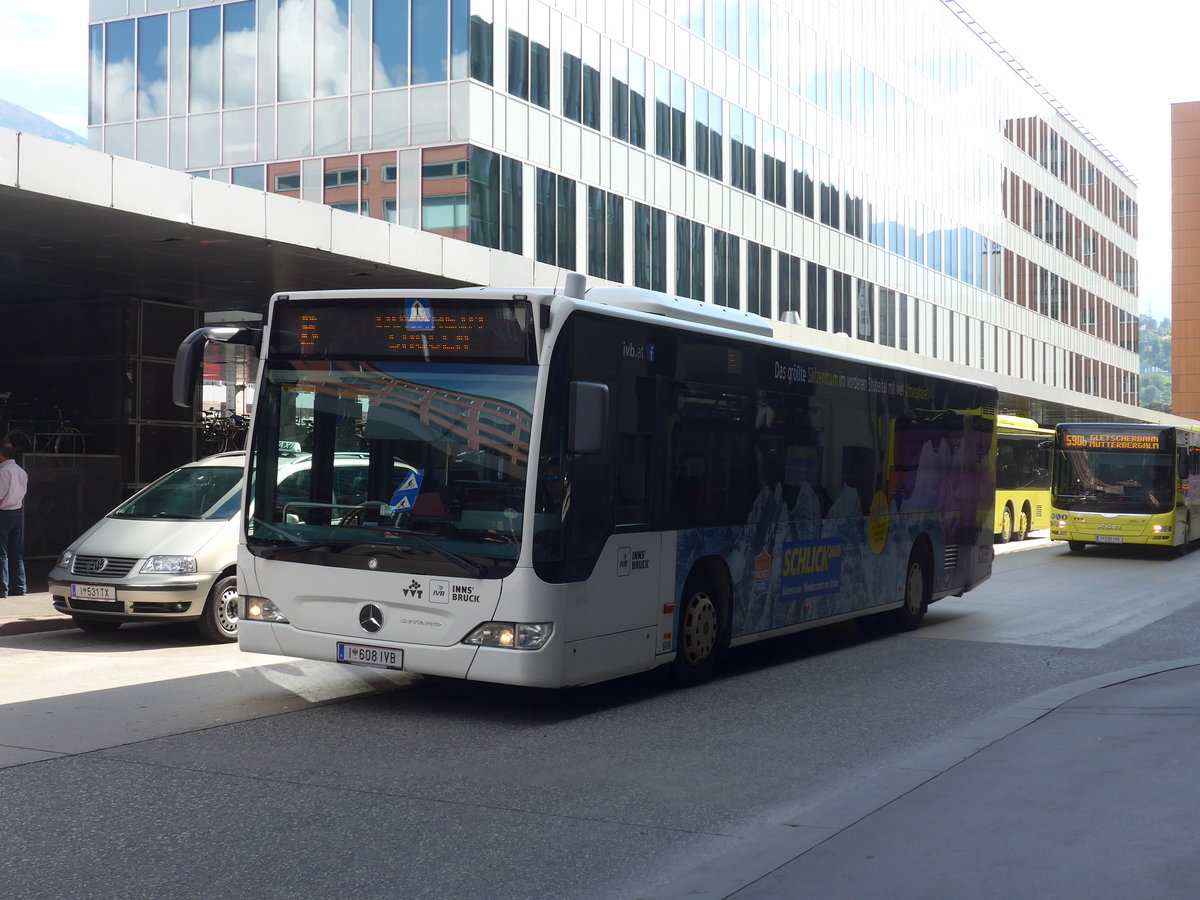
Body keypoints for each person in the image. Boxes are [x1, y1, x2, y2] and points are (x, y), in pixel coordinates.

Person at [0, 440, 28, 598]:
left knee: (1, 553)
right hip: (17, 512)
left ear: (1, 454)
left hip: (3, 513)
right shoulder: (21, 471)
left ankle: (2, 588)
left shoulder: (3, 472)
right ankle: (19, 586)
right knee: (16, 553)